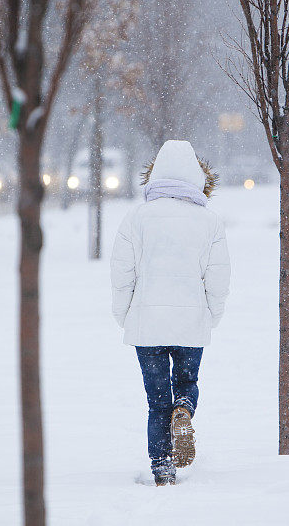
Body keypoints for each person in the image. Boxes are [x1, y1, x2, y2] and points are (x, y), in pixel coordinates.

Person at [110, 140, 230, 486]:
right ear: (196, 176)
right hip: (191, 323)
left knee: (155, 401)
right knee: (187, 384)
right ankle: (185, 410)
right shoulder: (209, 221)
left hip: (147, 324)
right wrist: (211, 317)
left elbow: (122, 274)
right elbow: (218, 279)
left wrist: (125, 316)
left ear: (155, 174)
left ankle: (162, 468)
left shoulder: (137, 218)